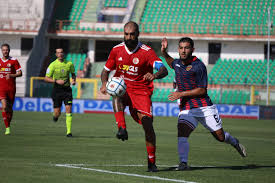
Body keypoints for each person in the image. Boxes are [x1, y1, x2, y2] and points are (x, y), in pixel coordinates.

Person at [161, 37, 247, 170]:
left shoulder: (199, 66)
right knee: (182, 132)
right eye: (181, 48)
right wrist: (164, 52)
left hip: (204, 107)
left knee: (220, 137)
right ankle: (183, 163)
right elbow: (171, 62)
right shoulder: (177, 63)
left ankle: (235, 142)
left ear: (192, 49)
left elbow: (202, 90)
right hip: (187, 108)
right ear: (178, 49)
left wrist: (180, 94)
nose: (183, 51)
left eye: (186, 48)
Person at [100, 21, 168, 172]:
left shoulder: (147, 51)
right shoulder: (116, 50)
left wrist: (154, 74)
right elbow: (105, 70)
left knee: (148, 125)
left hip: (141, 91)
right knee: (116, 93)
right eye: (126, 34)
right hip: (123, 88)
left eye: (132, 34)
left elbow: (164, 69)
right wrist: (104, 84)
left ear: (138, 34)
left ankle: (151, 162)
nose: (128, 37)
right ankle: (121, 128)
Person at [44, 48, 76, 137]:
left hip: (67, 90)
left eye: (61, 52)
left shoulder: (69, 64)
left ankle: (69, 132)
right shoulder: (52, 65)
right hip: (57, 91)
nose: (60, 54)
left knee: (68, 109)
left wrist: (73, 80)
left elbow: (73, 74)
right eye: (58, 53)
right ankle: (55, 116)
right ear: (56, 54)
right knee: (57, 113)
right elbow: (46, 78)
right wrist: (56, 81)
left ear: (63, 53)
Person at [0, 43, 22, 135]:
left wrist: (12, 75)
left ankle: (8, 123)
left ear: (9, 50)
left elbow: (20, 73)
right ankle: (7, 128)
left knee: (9, 109)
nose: (5, 51)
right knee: (4, 107)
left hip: (11, 88)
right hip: (1, 88)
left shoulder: (14, 61)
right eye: (4, 50)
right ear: (1, 51)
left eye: (7, 50)